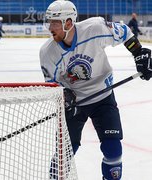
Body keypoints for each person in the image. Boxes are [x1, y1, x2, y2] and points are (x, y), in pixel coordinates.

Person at [40, 0, 152, 180]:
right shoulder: (47, 53)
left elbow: (125, 32)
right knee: (65, 155)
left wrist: (139, 52)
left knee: (113, 150)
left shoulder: (95, 29)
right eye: (49, 22)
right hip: (74, 103)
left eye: (55, 23)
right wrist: (64, 96)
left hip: (103, 97)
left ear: (68, 22)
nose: (50, 27)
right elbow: (52, 85)